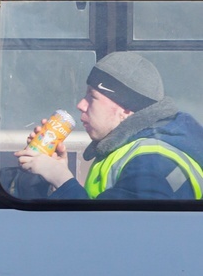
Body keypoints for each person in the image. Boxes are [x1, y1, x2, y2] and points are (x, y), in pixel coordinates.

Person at [15, 51, 203, 200]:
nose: (81, 104)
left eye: (92, 96)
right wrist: (54, 177)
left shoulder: (153, 162)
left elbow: (117, 234)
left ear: (126, 109)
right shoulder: (128, 149)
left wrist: (62, 179)